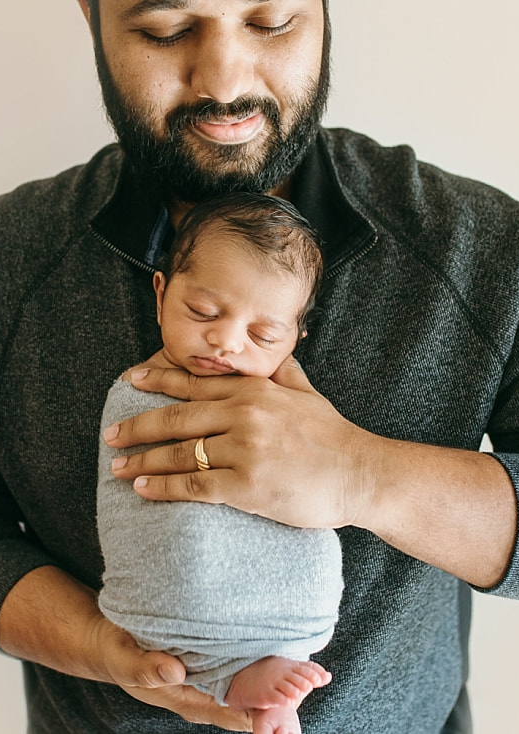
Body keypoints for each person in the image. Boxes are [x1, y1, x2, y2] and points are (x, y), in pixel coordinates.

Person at [0, 1, 519, 732]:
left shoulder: (479, 249)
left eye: (271, 21)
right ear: (92, 16)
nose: (224, 81)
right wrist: (95, 645)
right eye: (166, 29)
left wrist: (363, 476)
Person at [96, 192, 342, 734]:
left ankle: (252, 685)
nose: (225, 342)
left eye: (263, 335)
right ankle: (228, 677)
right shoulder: (139, 392)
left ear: (297, 339)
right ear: (160, 294)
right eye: (203, 312)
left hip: (283, 621)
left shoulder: (298, 408)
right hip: (168, 609)